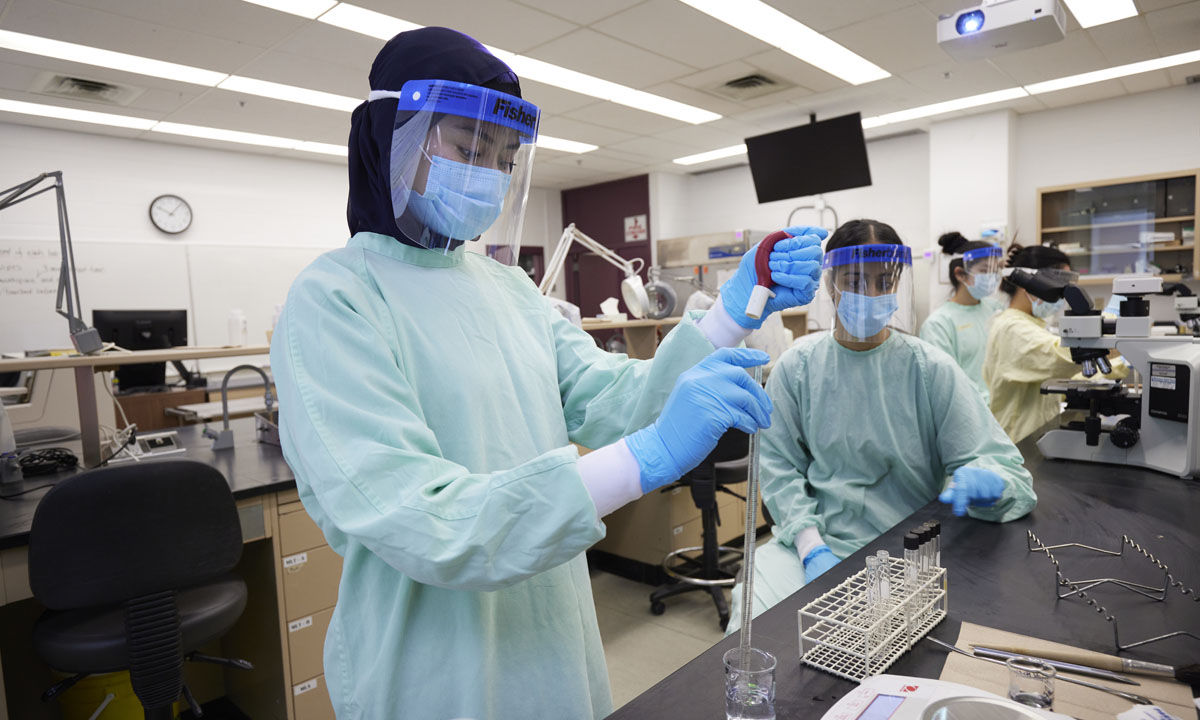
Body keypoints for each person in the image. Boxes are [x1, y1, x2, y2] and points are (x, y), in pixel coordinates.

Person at [269, 27, 826, 720]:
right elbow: (427, 519)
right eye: (471, 150)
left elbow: (618, 400)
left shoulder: (507, 289)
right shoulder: (336, 300)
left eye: (504, 159)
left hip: (552, 632)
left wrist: (728, 317)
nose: (490, 175)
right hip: (434, 662)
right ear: (394, 138)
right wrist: (645, 459)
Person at [727, 219, 1035, 631]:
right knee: (751, 630)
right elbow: (779, 469)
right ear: (830, 282)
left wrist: (989, 482)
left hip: (909, 548)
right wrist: (810, 546)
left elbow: (1001, 464)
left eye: (883, 281)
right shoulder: (798, 367)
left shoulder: (928, 370)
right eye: (854, 281)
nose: (870, 295)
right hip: (815, 542)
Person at [983, 245, 1125, 444]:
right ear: (1030, 284)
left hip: (1036, 436)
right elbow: (1062, 356)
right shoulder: (1011, 328)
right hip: (1017, 444)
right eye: (1059, 287)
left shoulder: (1032, 324)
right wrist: (1111, 325)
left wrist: (1123, 365)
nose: (1061, 296)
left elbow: (1070, 374)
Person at [919, 232, 1006, 403]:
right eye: (984, 270)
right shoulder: (939, 324)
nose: (993, 277)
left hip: (1003, 409)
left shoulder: (995, 308)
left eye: (995, 271)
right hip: (969, 412)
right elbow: (945, 384)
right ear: (960, 274)